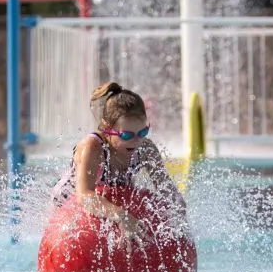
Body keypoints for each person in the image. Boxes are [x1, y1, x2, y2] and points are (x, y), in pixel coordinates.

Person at [50, 81, 184, 244]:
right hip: (69, 210)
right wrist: (121, 216)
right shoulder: (93, 147)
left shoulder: (146, 148)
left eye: (143, 132)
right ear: (107, 127)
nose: (136, 141)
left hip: (113, 203)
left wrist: (178, 217)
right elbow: (84, 196)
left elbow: (167, 189)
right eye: (127, 135)